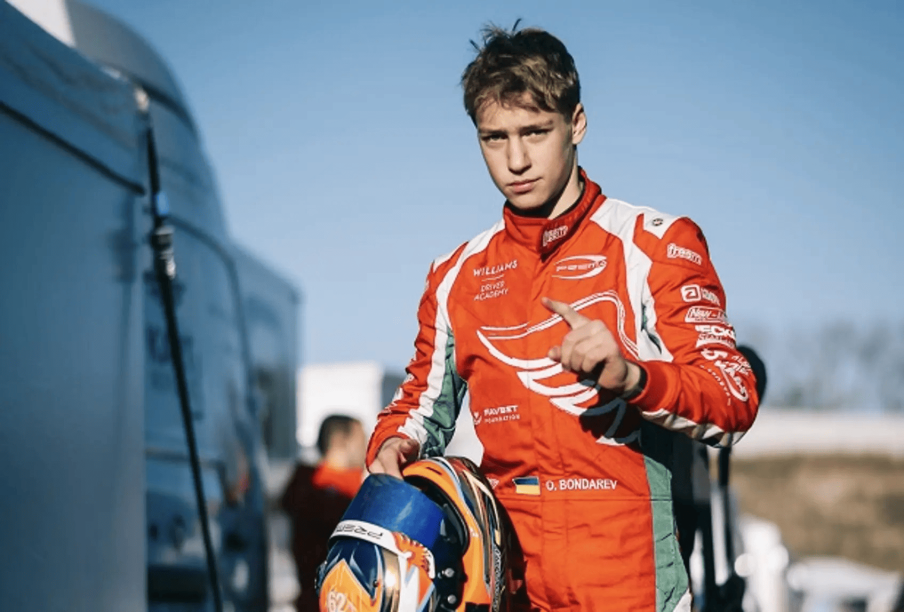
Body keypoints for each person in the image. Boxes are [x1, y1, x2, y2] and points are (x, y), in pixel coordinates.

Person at [366, 24, 760, 612]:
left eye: (535, 132)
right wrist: (394, 444)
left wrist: (632, 377)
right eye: (494, 138)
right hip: (509, 589)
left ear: (576, 124)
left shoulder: (655, 245)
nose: (516, 160)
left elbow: (734, 399)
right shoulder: (456, 274)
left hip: (634, 589)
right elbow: (420, 406)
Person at [281, 415, 365, 612]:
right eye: (362, 440)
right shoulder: (321, 492)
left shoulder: (304, 486)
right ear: (341, 441)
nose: (368, 447)